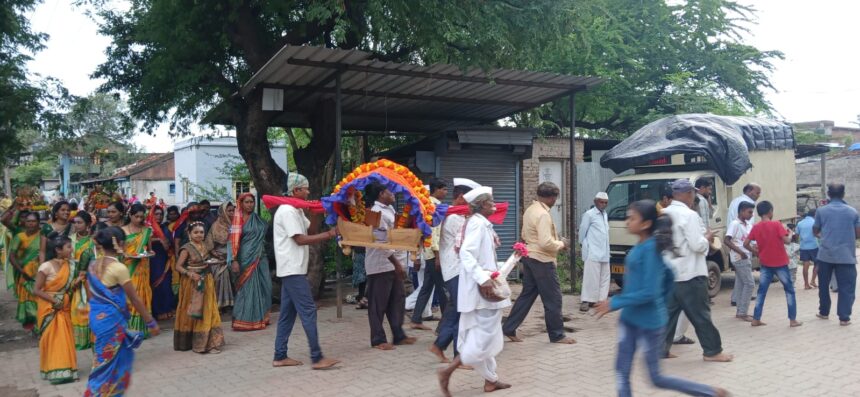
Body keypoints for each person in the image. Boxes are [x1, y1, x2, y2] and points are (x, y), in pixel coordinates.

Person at [594, 200, 729, 397]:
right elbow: (669, 276)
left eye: (632, 218)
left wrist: (615, 302)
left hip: (649, 324)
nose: (627, 222)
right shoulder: (640, 246)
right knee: (622, 372)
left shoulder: (650, 250)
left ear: (646, 224)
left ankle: (709, 392)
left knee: (656, 378)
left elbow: (650, 291)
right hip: (629, 320)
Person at [438, 186, 511, 396]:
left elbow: (484, 258)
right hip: (482, 292)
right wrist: (483, 279)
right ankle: (448, 372)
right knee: (483, 336)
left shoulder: (481, 224)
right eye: (491, 202)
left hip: (482, 289)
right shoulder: (477, 224)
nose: (494, 205)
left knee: (485, 334)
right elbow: (467, 255)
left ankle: (491, 380)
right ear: (482, 205)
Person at [271, 173, 340, 369]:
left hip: (293, 268)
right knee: (309, 310)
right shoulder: (287, 211)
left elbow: (311, 231)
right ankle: (317, 357)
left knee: (287, 315)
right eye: (305, 189)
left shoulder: (297, 210)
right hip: (292, 268)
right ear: (296, 190)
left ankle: (280, 356)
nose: (308, 192)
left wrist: (316, 212)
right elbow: (300, 239)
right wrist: (329, 234)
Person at [662, 179, 732, 362]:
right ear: (688, 194)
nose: (694, 196)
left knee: (668, 315)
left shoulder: (664, 213)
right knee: (701, 315)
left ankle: (659, 350)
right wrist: (707, 237)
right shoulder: (689, 215)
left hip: (670, 274)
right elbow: (697, 245)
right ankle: (712, 351)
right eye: (693, 193)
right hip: (690, 274)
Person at [85, 226, 160, 396]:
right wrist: (150, 322)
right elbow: (135, 298)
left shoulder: (93, 265)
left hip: (97, 318)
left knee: (105, 358)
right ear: (119, 243)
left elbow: (90, 294)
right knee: (106, 363)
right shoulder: (119, 268)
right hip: (111, 320)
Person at [503, 182, 574, 344]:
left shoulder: (531, 209)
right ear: (552, 197)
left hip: (530, 257)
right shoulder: (542, 214)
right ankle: (557, 334)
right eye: (555, 198)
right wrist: (562, 244)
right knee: (553, 298)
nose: (555, 201)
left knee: (527, 295)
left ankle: (509, 327)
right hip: (542, 260)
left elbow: (525, 234)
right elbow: (546, 243)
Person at [364, 182, 416, 350]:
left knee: (397, 300)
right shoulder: (375, 212)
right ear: (381, 194)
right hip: (381, 264)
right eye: (389, 191)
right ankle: (378, 340)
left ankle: (398, 335)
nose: (393, 193)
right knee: (378, 304)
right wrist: (396, 264)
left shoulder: (390, 210)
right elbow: (380, 242)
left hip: (394, 263)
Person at [430, 178, 477, 364]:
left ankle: (439, 344)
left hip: (455, 269)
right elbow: (468, 243)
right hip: (456, 269)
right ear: (461, 198)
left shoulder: (456, 216)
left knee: (454, 310)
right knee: (461, 311)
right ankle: (459, 355)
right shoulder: (455, 218)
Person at [743, 201, 802, 327]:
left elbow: (745, 244)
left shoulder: (756, 227)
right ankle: (792, 320)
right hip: (780, 262)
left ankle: (756, 319)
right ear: (770, 211)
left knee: (761, 291)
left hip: (765, 263)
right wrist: (790, 234)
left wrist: (756, 252)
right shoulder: (776, 224)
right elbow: (787, 241)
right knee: (789, 290)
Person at [174, 221, 226, 353]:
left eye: (201, 232)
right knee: (192, 309)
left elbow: (208, 260)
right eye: (195, 232)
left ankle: (209, 343)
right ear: (189, 234)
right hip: (191, 283)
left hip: (206, 279)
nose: (199, 235)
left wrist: (218, 260)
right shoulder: (186, 248)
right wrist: (190, 274)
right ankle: (190, 342)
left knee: (208, 309)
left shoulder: (205, 245)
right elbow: (178, 266)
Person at [813, 183, 860, 326]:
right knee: (847, 287)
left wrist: (824, 237)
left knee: (823, 285)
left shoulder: (821, 211)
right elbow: (858, 234)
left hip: (825, 255)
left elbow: (815, 230)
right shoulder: (853, 212)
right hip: (846, 256)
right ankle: (844, 318)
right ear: (843, 194)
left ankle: (824, 312)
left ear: (828, 194)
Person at [33, 236, 78, 384]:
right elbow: (36, 290)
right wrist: (55, 301)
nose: (71, 249)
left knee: (64, 338)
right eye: (68, 247)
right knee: (52, 339)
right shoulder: (45, 267)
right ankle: (53, 370)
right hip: (49, 308)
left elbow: (69, 288)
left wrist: (78, 282)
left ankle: (67, 370)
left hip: (63, 307)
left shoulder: (71, 265)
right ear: (58, 250)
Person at [229, 193, 273, 331]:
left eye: (251, 202)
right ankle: (244, 319)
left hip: (261, 257)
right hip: (245, 259)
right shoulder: (237, 221)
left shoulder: (258, 220)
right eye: (246, 202)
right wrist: (234, 260)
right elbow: (232, 242)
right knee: (247, 289)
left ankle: (262, 317)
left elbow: (266, 234)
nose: (250, 205)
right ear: (241, 204)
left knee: (266, 286)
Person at [409, 178, 448, 331]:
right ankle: (446, 323)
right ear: (436, 190)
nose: (446, 192)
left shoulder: (429, 204)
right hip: (433, 254)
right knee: (443, 289)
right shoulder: (433, 206)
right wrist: (438, 256)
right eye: (444, 189)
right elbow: (433, 233)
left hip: (429, 252)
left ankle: (416, 319)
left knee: (427, 287)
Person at [121, 203, 154, 337]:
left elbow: (150, 250)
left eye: (142, 217)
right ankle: (128, 328)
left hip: (142, 267)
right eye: (137, 216)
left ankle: (141, 328)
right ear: (130, 215)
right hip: (128, 266)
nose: (139, 219)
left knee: (141, 295)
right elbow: (119, 251)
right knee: (130, 296)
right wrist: (128, 255)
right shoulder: (122, 231)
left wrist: (150, 253)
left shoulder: (146, 231)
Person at [8, 211, 45, 330]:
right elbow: (12, 256)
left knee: (38, 296)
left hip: (39, 271)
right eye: (28, 221)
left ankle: (39, 322)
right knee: (27, 296)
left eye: (34, 221)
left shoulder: (43, 236)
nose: (31, 223)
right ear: (24, 222)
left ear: (38, 222)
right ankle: (31, 323)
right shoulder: (20, 237)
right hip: (24, 272)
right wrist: (21, 271)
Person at [729, 183, 761, 307]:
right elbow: (749, 231)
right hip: (740, 250)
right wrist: (752, 247)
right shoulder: (747, 207)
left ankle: (736, 299)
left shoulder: (734, 201)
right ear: (749, 191)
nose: (758, 195)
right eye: (757, 192)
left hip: (739, 247)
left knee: (741, 276)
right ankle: (742, 308)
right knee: (749, 283)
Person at [578, 192, 610, 312]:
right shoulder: (589, 214)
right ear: (595, 202)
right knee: (590, 277)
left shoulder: (605, 214)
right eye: (601, 202)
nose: (604, 204)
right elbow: (582, 231)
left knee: (604, 277)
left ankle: (600, 300)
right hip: (593, 251)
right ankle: (586, 300)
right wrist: (583, 245)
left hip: (604, 251)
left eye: (606, 202)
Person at [724, 201, 755, 322]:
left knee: (741, 284)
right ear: (741, 211)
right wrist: (740, 252)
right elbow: (726, 240)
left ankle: (740, 311)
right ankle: (742, 312)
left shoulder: (747, 225)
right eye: (749, 212)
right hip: (739, 257)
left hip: (745, 256)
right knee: (750, 284)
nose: (751, 215)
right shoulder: (735, 224)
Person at [70, 211, 96, 350]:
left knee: (88, 308)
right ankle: (79, 340)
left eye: (80, 222)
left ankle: (90, 338)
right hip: (73, 276)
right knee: (77, 308)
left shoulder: (93, 241)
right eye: (75, 222)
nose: (76, 225)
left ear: (88, 225)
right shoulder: (70, 240)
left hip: (89, 279)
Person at [205, 202, 235, 311]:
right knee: (223, 273)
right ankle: (222, 304)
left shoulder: (237, 224)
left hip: (235, 256)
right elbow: (209, 244)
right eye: (229, 211)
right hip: (219, 257)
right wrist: (217, 255)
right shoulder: (216, 226)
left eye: (233, 210)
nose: (232, 213)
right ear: (223, 212)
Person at [149, 206, 177, 320]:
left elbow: (169, 242)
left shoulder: (165, 228)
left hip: (164, 260)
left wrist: (166, 243)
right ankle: (157, 311)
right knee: (156, 286)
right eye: (156, 214)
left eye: (161, 214)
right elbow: (144, 241)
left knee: (165, 285)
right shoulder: (147, 228)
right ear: (151, 215)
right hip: (152, 261)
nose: (159, 216)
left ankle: (166, 309)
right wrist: (158, 239)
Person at [797, 209, 819, 290]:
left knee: (805, 265)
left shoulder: (800, 223)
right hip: (814, 246)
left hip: (803, 247)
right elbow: (817, 234)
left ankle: (806, 284)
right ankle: (813, 280)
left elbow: (797, 235)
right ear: (815, 214)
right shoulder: (815, 222)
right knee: (817, 263)